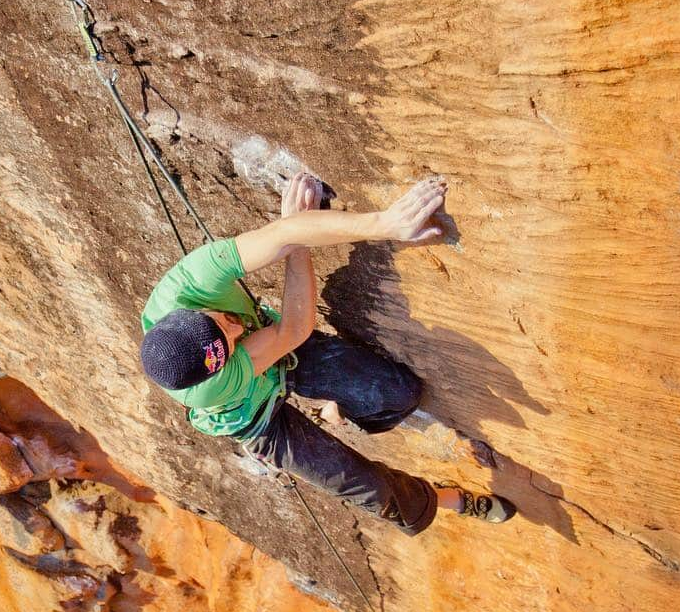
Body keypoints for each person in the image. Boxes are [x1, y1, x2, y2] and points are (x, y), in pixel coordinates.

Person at [139, 171, 516, 535]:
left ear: (186, 312)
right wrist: (299, 241)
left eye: (222, 322)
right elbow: (291, 329)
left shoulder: (188, 281)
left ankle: (334, 406)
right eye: (230, 341)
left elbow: (282, 234)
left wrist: (385, 223)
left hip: (280, 357)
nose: (237, 328)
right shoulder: (208, 387)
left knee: (397, 394)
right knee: (371, 490)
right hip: (253, 416)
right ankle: (452, 499)